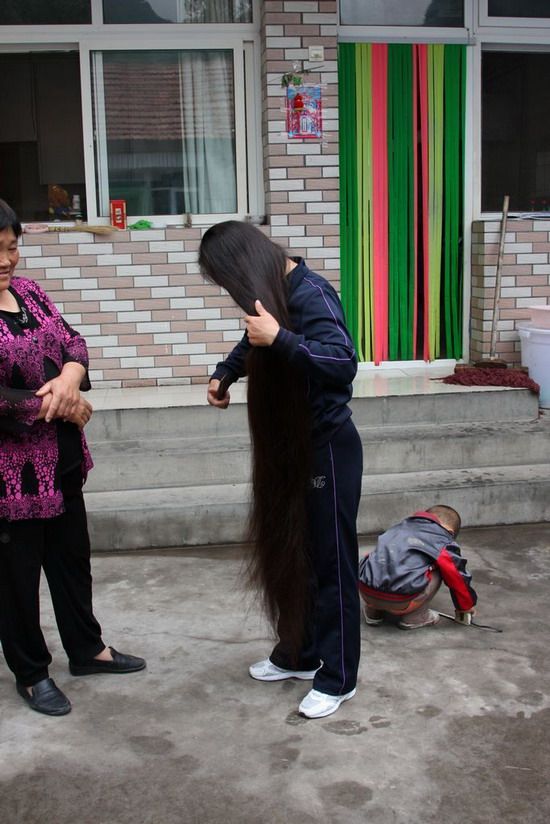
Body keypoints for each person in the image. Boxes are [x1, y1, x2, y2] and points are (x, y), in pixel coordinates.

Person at [199, 220, 363, 719]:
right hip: (292, 449)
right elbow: (256, 339)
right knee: (296, 557)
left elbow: (342, 361)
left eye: (228, 281)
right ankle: (298, 654)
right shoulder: (273, 292)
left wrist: (280, 338)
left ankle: (338, 678)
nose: (232, 293)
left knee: (331, 565)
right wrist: (225, 372)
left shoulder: (312, 291)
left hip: (327, 448)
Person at [0, 199, 145, 717]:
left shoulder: (31, 293)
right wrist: (57, 404)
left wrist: (70, 379)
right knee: (16, 580)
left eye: (12, 247)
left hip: (61, 462)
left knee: (71, 562)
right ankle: (32, 672)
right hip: (12, 480)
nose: (7, 260)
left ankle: (87, 649)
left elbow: (72, 341)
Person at [358, 505, 477, 629]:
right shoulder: (441, 538)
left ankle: (373, 613)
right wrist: (465, 607)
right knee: (444, 567)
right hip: (402, 601)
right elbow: (456, 576)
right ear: (450, 532)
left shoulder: (398, 528)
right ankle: (415, 617)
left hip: (367, 592)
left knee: (377, 557)